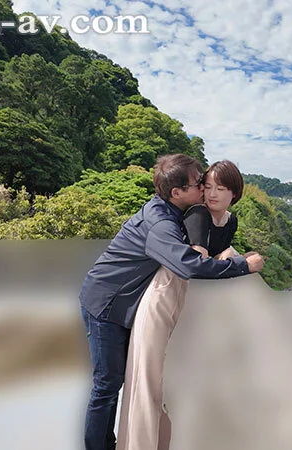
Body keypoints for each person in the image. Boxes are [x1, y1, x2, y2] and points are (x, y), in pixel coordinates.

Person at [79, 154, 265, 450]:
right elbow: (188, 265)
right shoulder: (161, 224)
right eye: (199, 184)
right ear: (177, 192)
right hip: (106, 303)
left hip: (127, 300)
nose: (204, 189)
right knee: (108, 384)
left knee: (124, 379)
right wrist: (243, 265)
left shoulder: (178, 210)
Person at [115, 160, 247, 450]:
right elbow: (197, 264)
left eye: (220, 188)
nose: (211, 193)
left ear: (234, 193)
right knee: (149, 379)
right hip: (167, 294)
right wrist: (240, 264)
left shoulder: (230, 220)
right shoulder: (198, 214)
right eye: (207, 186)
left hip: (192, 302)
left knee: (176, 384)